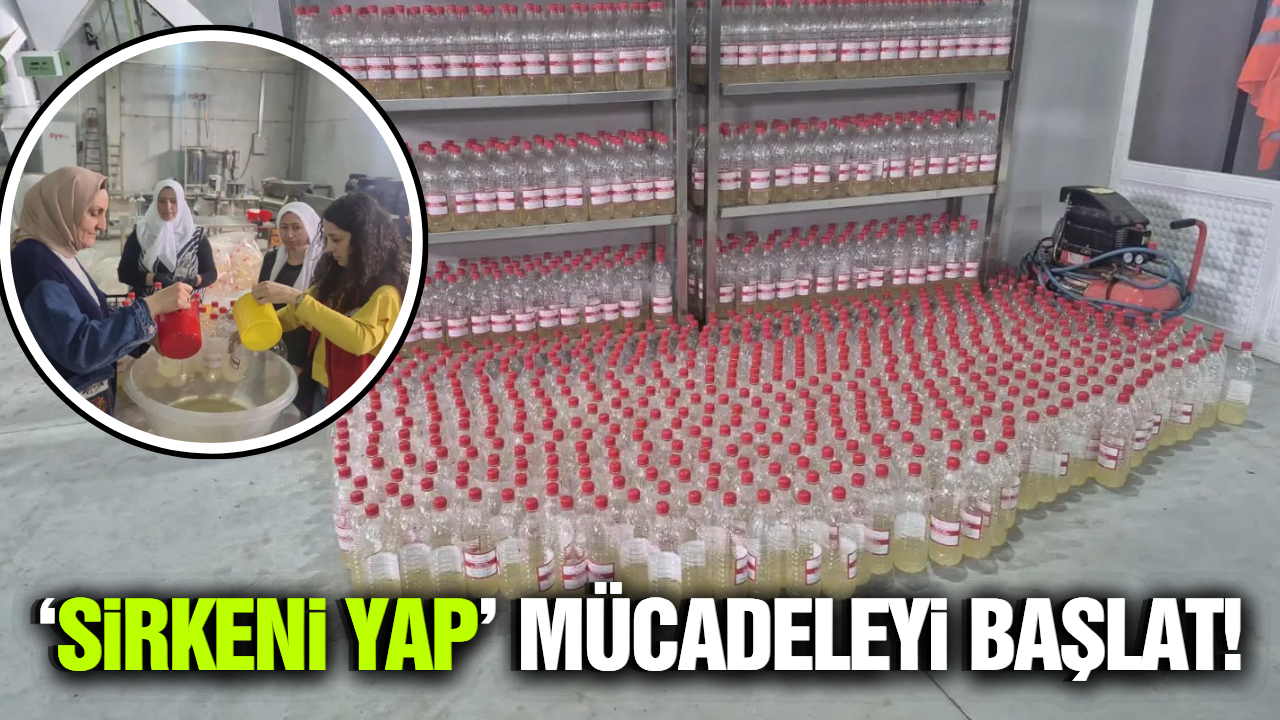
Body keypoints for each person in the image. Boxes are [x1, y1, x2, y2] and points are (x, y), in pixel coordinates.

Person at [10, 167, 192, 415]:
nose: (103, 225)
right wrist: (152, 305)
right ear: (62, 208)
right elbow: (79, 349)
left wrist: (143, 333)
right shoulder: (34, 262)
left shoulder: (59, 252)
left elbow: (96, 313)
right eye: (94, 213)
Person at [249, 193, 408, 412]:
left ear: (363, 240)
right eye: (327, 239)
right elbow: (296, 314)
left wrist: (295, 297)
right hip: (323, 386)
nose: (329, 248)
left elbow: (359, 339)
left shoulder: (385, 291)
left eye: (337, 240)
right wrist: (253, 329)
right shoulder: (338, 274)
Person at [257, 201, 326, 415]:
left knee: (294, 404)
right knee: (267, 397)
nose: (289, 234)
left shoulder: (321, 264)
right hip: (272, 338)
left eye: (297, 227)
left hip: (304, 344)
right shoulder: (271, 259)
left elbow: (318, 313)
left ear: (310, 228)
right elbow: (261, 299)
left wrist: (300, 361)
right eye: (284, 227)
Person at [117, 179, 217, 301]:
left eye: (173, 201)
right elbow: (124, 273)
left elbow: (211, 273)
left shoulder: (195, 235)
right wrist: (154, 278)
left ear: (181, 203)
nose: (167, 206)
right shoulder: (141, 233)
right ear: (155, 203)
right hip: (147, 306)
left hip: (187, 305)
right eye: (162, 201)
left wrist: (195, 280)